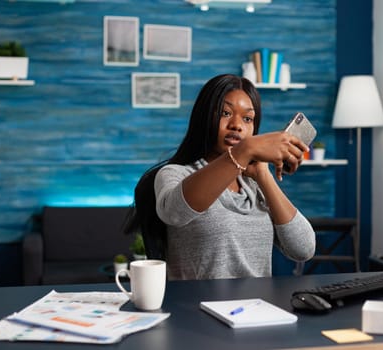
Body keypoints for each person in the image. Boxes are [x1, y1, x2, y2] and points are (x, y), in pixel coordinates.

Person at [125, 74, 315, 280]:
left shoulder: (254, 184)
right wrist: (246, 149)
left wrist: (262, 174)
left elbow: (303, 249)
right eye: (225, 113)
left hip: (258, 308)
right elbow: (175, 213)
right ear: (204, 117)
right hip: (197, 308)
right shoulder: (175, 174)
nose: (237, 125)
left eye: (247, 118)